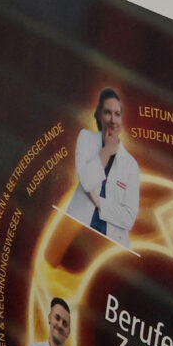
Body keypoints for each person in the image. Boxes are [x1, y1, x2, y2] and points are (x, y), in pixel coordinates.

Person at [65, 88, 141, 241]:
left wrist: (98, 202)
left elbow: (128, 219)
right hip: (77, 234)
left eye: (117, 114)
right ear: (99, 114)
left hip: (111, 244)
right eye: (107, 113)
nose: (113, 119)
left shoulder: (131, 165)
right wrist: (107, 151)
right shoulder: (86, 138)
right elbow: (86, 182)